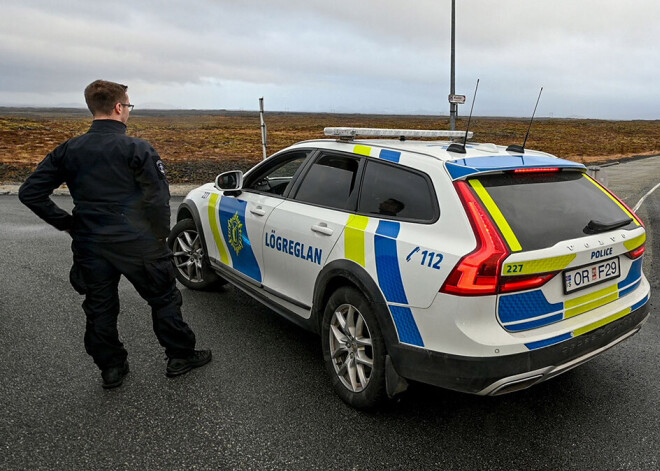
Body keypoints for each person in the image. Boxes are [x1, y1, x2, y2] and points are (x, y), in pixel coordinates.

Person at [18, 80, 211, 389]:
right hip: (139, 243)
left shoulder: (70, 149)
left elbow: (30, 192)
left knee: (99, 306)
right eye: (128, 105)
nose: (128, 111)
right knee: (163, 299)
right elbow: (157, 199)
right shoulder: (137, 148)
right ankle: (180, 356)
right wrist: (159, 235)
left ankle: (111, 367)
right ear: (119, 107)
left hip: (91, 243)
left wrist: (68, 223)